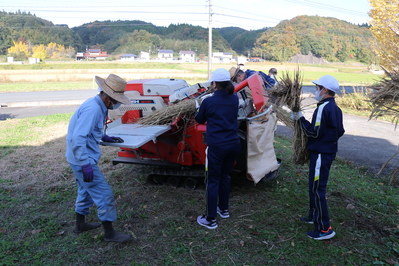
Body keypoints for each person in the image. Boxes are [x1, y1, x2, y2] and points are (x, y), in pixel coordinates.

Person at [65, 73, 133, 243]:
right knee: (104, 194)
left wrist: (104, 137)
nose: (117, 104)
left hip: (80, 158)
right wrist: (85, 164)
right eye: (117, 100)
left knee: (85, 189)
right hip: (82, 160)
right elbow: (78, 138)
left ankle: (80, 225)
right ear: (109, 98)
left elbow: (89, 131)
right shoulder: (93, 109)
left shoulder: (97, 105)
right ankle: (110, 234)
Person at [291, 75, 345, 240]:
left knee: (317, 189)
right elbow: (340, 131)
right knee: (314, 186)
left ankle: (324, 228)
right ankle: (313, 215)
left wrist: (300, 119)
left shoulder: (323, 108)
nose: (316, 90)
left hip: (321, 154)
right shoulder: (335, 108)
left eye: (317, 87)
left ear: (325, 90)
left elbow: (313, 132)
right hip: (326, 152)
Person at [195, 68, 241, 229]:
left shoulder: (208, 101)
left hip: (217, 147)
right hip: (233, 144)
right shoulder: (234, 98)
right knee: (225, 177)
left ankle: (210, 219)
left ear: (214, 84)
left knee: (212, 180)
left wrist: (197, 107)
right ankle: (224, 209)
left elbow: (199, 119)